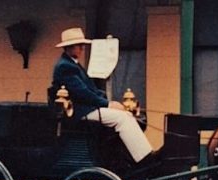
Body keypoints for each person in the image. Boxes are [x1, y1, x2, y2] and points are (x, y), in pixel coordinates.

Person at [51, 27, 159, 168]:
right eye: (79, 45)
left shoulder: (72, 64)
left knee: (125, 114)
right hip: (80, 112)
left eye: (82, 45)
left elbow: (92, 90)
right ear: (69, 48)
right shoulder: (65, 67)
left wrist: (110, 102)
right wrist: (107, 104)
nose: (82, 48)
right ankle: (144, 159)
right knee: (123, 118)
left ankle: (129, 157)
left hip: (87, 108)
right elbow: (82, 93)